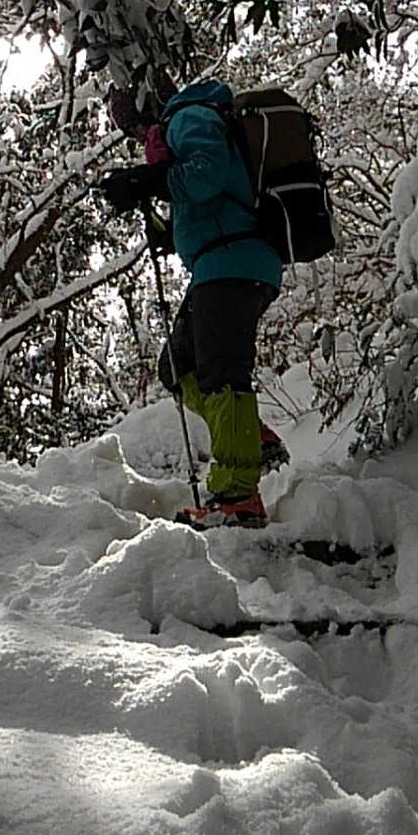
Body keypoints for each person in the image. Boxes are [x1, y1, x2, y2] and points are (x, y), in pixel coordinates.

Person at [101, 77, 288, 529]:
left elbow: (207, 174)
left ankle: (237, 496)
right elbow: (214, 196)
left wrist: (149, 181)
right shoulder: (186, 123)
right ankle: (252, 441)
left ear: (148, 110)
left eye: (136, 127)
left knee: (222, 373)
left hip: (234, 262)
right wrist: (173, 233)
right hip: (220, 263)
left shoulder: (189, 116)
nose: (140, 139)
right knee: (177, 367)